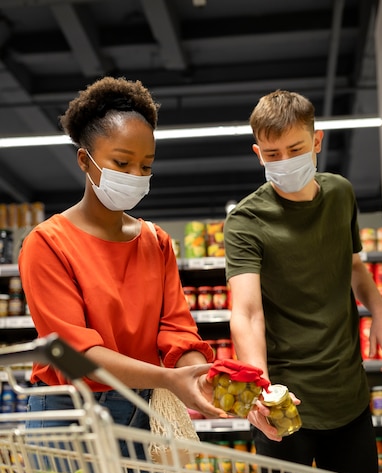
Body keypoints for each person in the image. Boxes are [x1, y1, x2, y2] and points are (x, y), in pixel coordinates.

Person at [18, 76, 228, 439]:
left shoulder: (155, 241)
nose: (136, 176)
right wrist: (169, 378)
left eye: (146, 166)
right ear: (85, 160)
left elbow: (177, 331)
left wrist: (201, 375)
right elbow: (75, 355)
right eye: (122, 163)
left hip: (139, 408)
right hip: (69, 412)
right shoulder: (47, 243)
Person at [224, 89, 382, 473]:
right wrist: (259, 389)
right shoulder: (245, 221)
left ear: (316, 141)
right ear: (258, 154)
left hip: (348, 396)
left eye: (295, 148)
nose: (284, 162)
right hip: (284, 402)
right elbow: (247, 312)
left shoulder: (341, 194)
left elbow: (355, 267)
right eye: (272, 155)